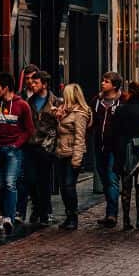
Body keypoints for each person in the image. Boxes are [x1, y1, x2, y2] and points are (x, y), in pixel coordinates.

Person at [0, 72, 34, 236]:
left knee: (10, 183)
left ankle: (8, 218)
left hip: (13, 151)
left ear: (6, 88)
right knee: (0, 184)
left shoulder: (22, 106)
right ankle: (5, 215)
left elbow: (29, 129)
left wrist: (16, 145)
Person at [18, 70, 58, 225]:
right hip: (30, 145)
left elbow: (58, 126)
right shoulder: (28, 102)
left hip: (46, 147)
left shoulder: (55, 102)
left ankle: (45, 212)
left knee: (44, 181)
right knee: (30, 179)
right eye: (31, 82)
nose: (32, 85)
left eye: (36, 83)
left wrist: (51, 144)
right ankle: (37, 207)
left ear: (44, 84)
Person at [113, 81, 139, 230]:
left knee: (126, 187)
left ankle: (125, 220)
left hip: (124, 150)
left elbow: (115, 131)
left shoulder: (120, 110)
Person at [52, 83, 90, 230]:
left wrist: (77, 160)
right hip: (61, 152)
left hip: (72, 154)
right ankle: (69, 216)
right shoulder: (64, 111)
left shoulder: (80, 114)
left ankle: (73, 217)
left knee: (69, 186)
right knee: (63, 186)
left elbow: (80, 138)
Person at [90, 72, 124, 227]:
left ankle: (112, 214)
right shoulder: (96, 101)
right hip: (99, 146)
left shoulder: (123, 102)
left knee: (111, 179)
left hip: (115, 148)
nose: (103, 83)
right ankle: (110, 212)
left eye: (106, 82)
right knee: (104, 178)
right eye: (103, 81)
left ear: (114, 86)